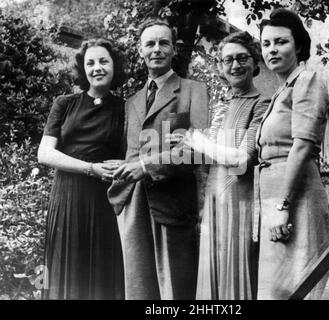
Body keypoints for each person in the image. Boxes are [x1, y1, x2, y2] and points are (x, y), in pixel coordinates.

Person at [107, 18, 209, 300]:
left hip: (174, 202)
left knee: (175, 291)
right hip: (134, 203)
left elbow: (197, 150)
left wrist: (144, 166)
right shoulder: (132, 102)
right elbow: (130, 152)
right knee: (139, 290)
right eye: (150, 44)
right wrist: (122, 170)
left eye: (163, 43)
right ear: (140, 51)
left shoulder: (194, 91)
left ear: (174, 49)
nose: (157, 49)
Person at [170, 31, 269, 299]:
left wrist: (199, 142)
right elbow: (204, 156)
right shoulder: (219, 104)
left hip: (240, 200)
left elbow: (242, 159)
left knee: (235, 277)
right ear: (220, 67)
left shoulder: (263, 104)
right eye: (228, 60)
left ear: (255, 61)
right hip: (212, 200)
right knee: (210, 279)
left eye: (242, 58)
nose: (235, 65)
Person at [38, 39, 126, 300]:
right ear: (83, 69)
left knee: (101, 276)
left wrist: (124, 164)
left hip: (104, 202)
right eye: (90, 63)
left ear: (114, 66)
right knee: (67, 270)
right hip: (67, 199)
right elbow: (45, 153)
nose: (97, 67)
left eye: (103, 61)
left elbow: (131, 153)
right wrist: (90, 168)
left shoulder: (125, 108)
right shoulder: (64, 103)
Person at [255, 8, 329, 300]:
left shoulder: (307, 81)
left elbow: (301, 146)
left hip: (295, 198)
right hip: (277, 199)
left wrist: (283, 206)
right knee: (277, 289)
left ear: (298, 45)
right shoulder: (281, 90)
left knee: (302, 284)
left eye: (280, 41)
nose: (272, 49)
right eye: (266, 44)